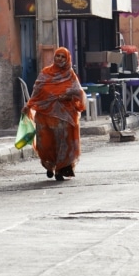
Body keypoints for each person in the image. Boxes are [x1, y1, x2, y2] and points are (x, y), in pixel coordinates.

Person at [22, 47, 86, 181]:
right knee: (45, 143)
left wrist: (68, 95)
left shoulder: (70, 74)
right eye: (58, 56)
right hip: (45, 115)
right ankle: (50, 166)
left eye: (63, 57)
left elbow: (78, 91)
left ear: (67, 59)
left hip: (65, 115)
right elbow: (37, 90)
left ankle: (60, 170)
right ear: (54, 57)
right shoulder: (45, 73)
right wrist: (29, 105)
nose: (60, 59)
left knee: (64, 142)